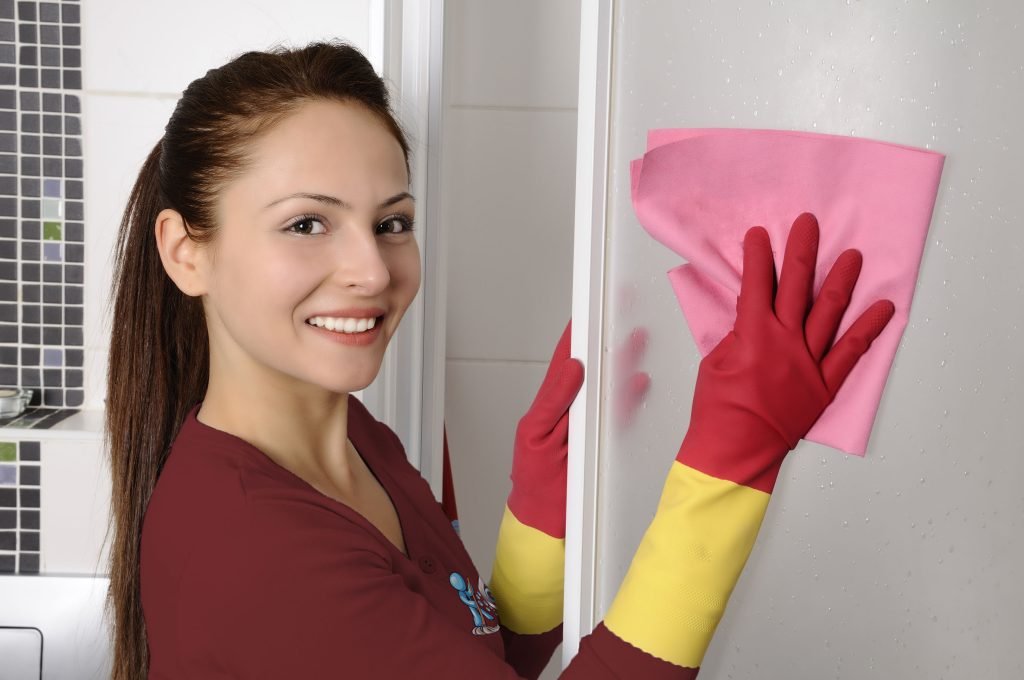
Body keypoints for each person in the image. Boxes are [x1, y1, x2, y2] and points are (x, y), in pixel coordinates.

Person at [105, 41, 895, 679]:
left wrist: (538, 524)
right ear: (185, 253)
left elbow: (472, 656)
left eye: (392, 222)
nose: (373, 272)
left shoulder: (360, 442)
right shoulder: (252, 544)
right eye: (307, 224)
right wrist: (730, 467)